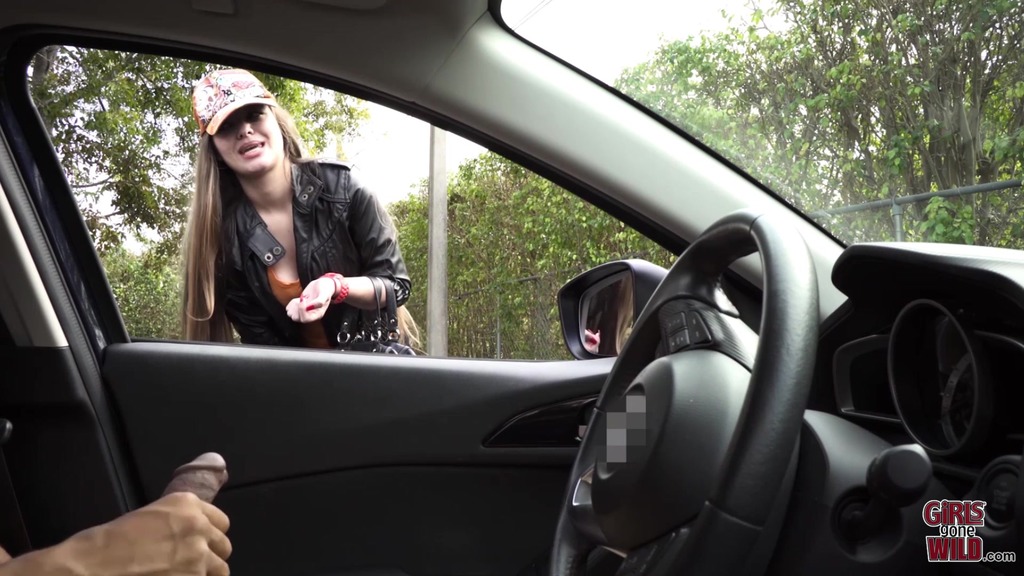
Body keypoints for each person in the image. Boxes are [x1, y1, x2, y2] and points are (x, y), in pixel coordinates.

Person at [180, 68, 415, 349]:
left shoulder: (344, 187)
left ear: (276, 121)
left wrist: (336, 286)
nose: (244, 130)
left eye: (254, 114)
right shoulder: (226, 239)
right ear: (215, 149)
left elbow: (396, 286)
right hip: (293, 374)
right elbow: (261, 343)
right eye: (227, 126)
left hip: (374, 366)